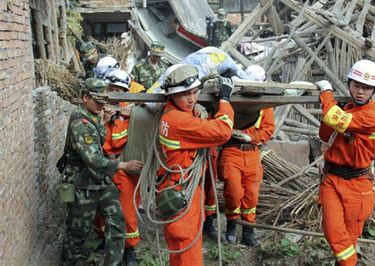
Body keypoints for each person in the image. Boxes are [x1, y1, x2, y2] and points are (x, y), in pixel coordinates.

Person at [60, 78, 143, 265]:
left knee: (117, 221)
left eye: (103, 102)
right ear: (85, 97)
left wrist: (104, 121)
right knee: (78, 233)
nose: (101, 106)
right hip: (83, 185)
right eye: (97, 102)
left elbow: (100, 142)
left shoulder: (95, 116)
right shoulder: (79, 122)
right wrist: (123, 166)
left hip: (101, 182)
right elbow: (93, 159)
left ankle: (113, 261)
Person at [157, 64, 234, 265]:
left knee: (181, 253)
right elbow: (223, 131)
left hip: (179, 191)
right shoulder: (179, 121)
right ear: (171, 95)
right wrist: (224, 100)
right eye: (185, 94)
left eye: (194, 92)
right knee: (188, 253)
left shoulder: (170, 113)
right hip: (182, 196)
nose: (192, 99)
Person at [315, 60, 375, 266]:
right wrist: (336, 110)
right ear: (350, 84)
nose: (361, 91)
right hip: (333, 179)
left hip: (358, 184)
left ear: (374, 90)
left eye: (367, 88)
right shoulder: (347, 109)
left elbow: (334, 119)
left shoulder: (373, 115)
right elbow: (324, 134)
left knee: (350, 238)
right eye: (357, 85)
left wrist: (326, 94)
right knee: (334, 231)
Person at [218, 65, 275, 246]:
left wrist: (251, 137)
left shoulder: (265, 105)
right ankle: (232, 225)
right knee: (234, 192)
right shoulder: (232, 100)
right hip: (231, 152)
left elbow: (268, 130)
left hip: (252, 153)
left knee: (251, 195)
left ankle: (248, 232)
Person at [92, 69, 141, 265]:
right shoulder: (95, 112)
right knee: (100, 210)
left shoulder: (132, 114)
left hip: (124, 168)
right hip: (101, 166)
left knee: (127, 211)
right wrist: (103, 120)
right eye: (111, 89)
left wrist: (133, 114)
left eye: (120, 90)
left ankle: (130, 249)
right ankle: (105, 239)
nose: (115, 93)